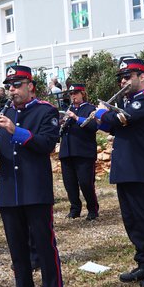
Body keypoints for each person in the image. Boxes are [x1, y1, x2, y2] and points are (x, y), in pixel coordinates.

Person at [0, 65, 65, 287]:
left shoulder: (45, 111)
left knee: (44, 247)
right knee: (17, 250)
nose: (12, 90)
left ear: (31, 86)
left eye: (17, 85)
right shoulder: (4, 112)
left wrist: (13, 130)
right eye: (9, 86)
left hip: (35, 189)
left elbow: (46, 144)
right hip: (9, 191)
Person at [93, 58, 144, 287]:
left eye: (128, 76)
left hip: (141, 168)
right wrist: (102, 117)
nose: (124, 82)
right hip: (125, 168)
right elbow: (111, 125)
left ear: (141, 76)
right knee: (133, 221)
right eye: (121, 78)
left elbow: (122, 119)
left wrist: (102, 114)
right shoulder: (130, 102)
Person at [60, 84, 99, 220]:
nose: (73, 96)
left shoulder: (90, 108)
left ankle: (92, 209)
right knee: (69, 184)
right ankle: (75, 208)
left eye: (76, 93)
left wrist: (76, 118)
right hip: (67, 151)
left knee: (86, 183)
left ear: (83, 93)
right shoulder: (68, 109)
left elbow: (93, 126)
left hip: (83, 151)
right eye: (71, 94)